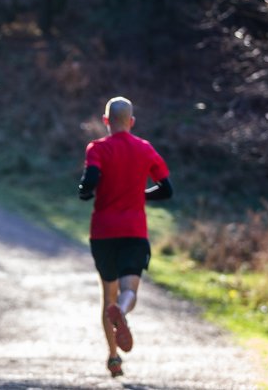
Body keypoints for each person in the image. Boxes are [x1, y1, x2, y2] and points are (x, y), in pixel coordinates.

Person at [78, 96, 172, 378]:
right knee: (129, 289)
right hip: (134, 231)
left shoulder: (97, 148)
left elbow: (91, 179)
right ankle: (123, 309)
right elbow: (166, 188)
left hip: (103, 232)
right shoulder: (144, 149)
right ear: (131, 122)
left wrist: (84, 190)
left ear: (106, 121)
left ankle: (113, 357)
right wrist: (139, 195)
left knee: (107, 293)